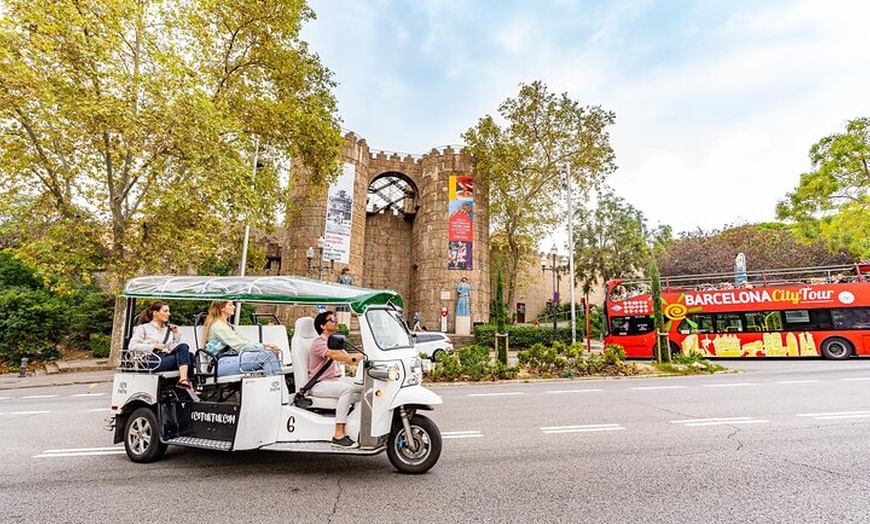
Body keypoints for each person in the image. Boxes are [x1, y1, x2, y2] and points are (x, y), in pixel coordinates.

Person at [309, 310, 363, 448]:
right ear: (322, 326)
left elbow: (349, 358)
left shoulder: (334, 342)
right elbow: (337, 356)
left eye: (335, 319)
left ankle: (359, 424)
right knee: (347, 389)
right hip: (319, 384)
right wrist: (358, 357)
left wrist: (366, 356)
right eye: (332, 319)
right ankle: (338, 435)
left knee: (364, 386)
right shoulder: (319, 342)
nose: (336, 321)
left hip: (334, 380)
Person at [128, 301, 196, 391]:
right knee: (189, 356)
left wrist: (176, 333)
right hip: (151, 360)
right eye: (165, 311)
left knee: (185, 349)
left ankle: (184, 381)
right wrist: (153, 346)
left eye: (168, 311)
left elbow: (172, 348)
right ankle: (189, 385)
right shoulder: (144, 328)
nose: (169, 314)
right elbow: (132, 346)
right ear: (155, 313)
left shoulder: (167, 330)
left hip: (165, 357)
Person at [202, 301, 281, 376]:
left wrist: (266, 346)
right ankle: (275, 384)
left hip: (231, 360)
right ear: (222, 308)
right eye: (230, 305)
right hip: (220, 363)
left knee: (270, 353)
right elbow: (239, 344)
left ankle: (273, 383)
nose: (234, 307)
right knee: (268, 355)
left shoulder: (227, 326)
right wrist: (264, 347)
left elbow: (243, 341)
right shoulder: (218, 326)